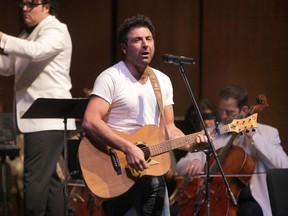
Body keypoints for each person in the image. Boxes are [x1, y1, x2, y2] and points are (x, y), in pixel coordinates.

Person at [82, 14, 207, 216]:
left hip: (154, 171)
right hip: (120, 172)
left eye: (148, 39)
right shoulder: (111, 78)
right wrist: (128, 147)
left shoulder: (163, 81)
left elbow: (169, 129)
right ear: (124, 48)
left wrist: (191, 144)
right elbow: (90, 120)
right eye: (137, 40)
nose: (145, 45)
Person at [0, 0, 75, 215]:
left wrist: (2, 37)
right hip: (39, 119)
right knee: (49, 182)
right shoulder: (27, 35)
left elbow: (36, 51)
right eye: (22, 4)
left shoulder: (56, 29)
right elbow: (10, 66)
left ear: (47, 7)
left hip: (47, 118)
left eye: (31, 3)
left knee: (34, 181)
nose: (24, 8)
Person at [176, 84, 288, 216]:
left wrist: (255, 137)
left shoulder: (268, 133)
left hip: (253, 203)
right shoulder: (212, 133)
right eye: (221, 111)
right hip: (216, 200)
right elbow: (179, 166)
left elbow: (283, 165)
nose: (223, 117)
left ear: (244, 110)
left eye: (229, 112)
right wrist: (194, 160)